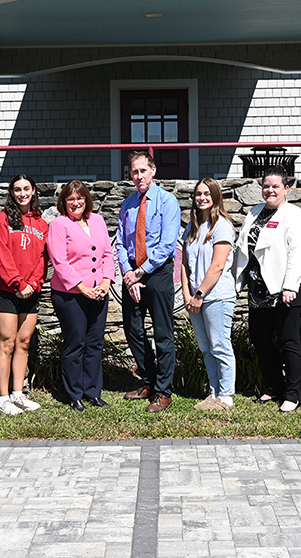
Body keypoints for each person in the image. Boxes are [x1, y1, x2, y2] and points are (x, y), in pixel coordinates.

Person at [232, 166, 301, 414]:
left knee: (289, 341)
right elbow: (243, 247)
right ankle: (274, 386)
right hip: (258, 289)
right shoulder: (254, 212)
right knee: (260, 339)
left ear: (286, 189)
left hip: (284, 287)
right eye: (267, 186)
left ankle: (293, 394)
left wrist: (290, 285)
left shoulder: (293, 214)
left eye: (276, 186)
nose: (270, 190)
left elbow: (298, 252)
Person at [115, 150, 181, 413]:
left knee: (163, 333)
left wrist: (140, 272)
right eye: (134, 171)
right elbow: (120, 242)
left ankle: (164, 392)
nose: (139, 176)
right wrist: (128, 274)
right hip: (132, 274)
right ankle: (148, 382)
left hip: (157, 273)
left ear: (153, 171)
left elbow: (167, 245)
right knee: (133, 330)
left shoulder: (168, 202)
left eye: (143, 170)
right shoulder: (128, 204)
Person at [47, 180, 114, 412]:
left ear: (86, 199)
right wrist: (82, 287)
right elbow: (59, 261)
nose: (75, 202)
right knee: (76, 343)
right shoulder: (58, 224)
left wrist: (106, 282)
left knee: (95, 343)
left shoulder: (97, 220)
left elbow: (107, 252)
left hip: (99, 292)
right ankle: (75, 394)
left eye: (80, 198)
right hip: (70, 295)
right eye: (70, 199)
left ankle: (93, 392)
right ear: (63, 202)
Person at [0, 174, 48, 415]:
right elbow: (0, 256)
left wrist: (32, 284)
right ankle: (3, 399)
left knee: (23, 343)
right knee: (7, 343)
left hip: (30, 291)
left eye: (26, 188)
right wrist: (17, 283)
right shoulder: (2, 220)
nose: (22, 193)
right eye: (17, 189)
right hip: (6, 291)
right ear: (11, 193)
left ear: (33, 190)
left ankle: (17, 394)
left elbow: (43, 259)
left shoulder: (42, 224)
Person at [180, 178, 238, 410]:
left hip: (216, 297)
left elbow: (217, 266)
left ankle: (226, 396)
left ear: (215, 196)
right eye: (198, 194)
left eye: (207, 193)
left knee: (220, 345)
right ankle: (214, 392)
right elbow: (184, 264)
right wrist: (187, 295)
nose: (202, 197)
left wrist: (200, 294)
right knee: (206, 348)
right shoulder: (192, 227)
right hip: (195, 299)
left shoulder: (222, 225)